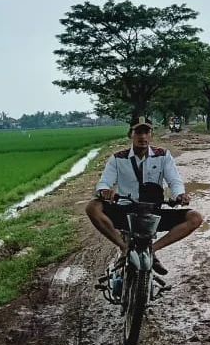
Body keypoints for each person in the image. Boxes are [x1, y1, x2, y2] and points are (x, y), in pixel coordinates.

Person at [86, 116, 203, 275]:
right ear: (130, 134)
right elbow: (104, 182)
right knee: (92, 207)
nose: (142, 136)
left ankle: (152, 250)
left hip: (153, 212)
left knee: (195, 217)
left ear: (151, 135)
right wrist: (104, 191)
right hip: (126, 210)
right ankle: (124, 247)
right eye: (138, 132)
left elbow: (174, 180)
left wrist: (179, 195)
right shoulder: (118, 158)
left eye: (146, 131)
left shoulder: (163, 155)